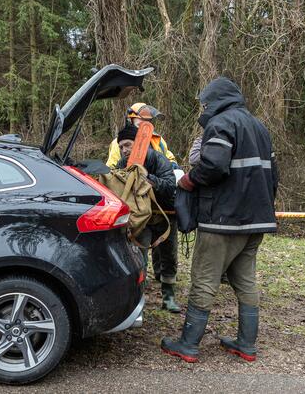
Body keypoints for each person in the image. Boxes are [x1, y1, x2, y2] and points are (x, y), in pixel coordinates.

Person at [161, 77, 279, 363]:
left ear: (215, 100)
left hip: (223, 221)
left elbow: (213, 165)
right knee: (246, 281)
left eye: (204, 102)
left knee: (204, 280)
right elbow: (273, 176)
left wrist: (189, 180)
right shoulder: (259, 127)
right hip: (256, 222)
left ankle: (188, 345)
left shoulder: (222, 123)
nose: (203, 107)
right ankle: (246, 345)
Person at [109, 104, 182, 313]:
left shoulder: (157, 158)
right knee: (139, 257)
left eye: (128, 145)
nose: (124, 150)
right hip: (142, 218)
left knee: (169, 256)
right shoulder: (122, 163)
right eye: (121, 146)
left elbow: (169, 185)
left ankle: (169, 297)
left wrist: (148, 179)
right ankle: (138, 298)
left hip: (165, 215)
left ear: (138, 142)